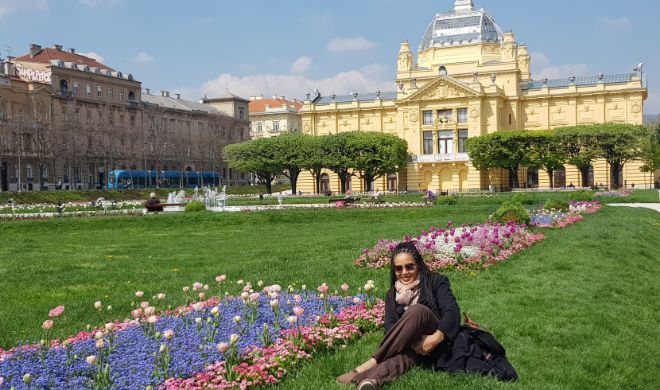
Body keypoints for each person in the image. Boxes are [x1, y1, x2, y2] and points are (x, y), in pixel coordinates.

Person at [336, 241, 516, 389]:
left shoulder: (436, 282)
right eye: (398, 269)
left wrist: (437, 336)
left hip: (440, 339)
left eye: (409, 266)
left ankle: (370, 363)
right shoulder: (392, 294)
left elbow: (452, 312)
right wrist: (414, 342)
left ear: (418, 265)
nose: (404, 272)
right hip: (415, 346)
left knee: (417, 311)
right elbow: (390, 328)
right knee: (401, 360)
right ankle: (370, 381)